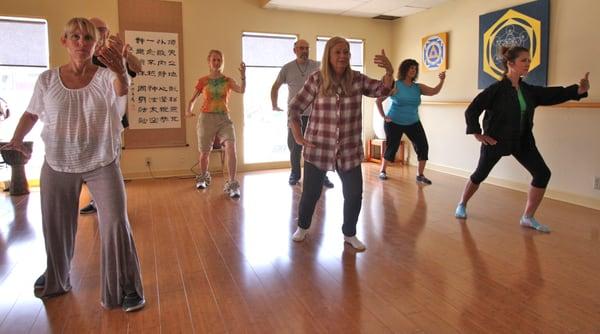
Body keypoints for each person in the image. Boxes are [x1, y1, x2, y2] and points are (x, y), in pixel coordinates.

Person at [1, 18, 145, 311]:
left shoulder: (106, 76)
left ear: (95, 43)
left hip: (102, 160)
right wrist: (16, 138)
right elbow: (31, 113)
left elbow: (121, 89)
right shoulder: (47, 79)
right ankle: (57, 276)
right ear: (64, 41)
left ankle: (127, 286)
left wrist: (119, 68)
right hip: (57, 161)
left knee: (116, 222)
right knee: (55, 226)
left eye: (87, 38)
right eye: (75, 37)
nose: (81, 42)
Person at [455, 45, 590, 232]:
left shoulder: (528, 90)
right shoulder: (495, 90)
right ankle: (462, 203)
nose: (528, 63)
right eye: (524, 60)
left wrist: (578, 90)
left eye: (529, 60)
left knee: (543, 173)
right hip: (496, 140)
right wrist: (478, 133)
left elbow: (552, 94)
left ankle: (528, 217)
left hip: (523, 141)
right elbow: (473, 109)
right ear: (510, 63)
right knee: (480, 175)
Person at [288, 37, 394, 250]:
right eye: (338, 52)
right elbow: (295, 107)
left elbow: (382, 90)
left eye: (346, 52)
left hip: (349, 149)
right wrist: (298, 136)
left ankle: (350, 234)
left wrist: (389, 72)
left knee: (354, 194)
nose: (343, 56)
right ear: (329, 54)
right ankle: (303, 226)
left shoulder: (357, 80)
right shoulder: (316, 79)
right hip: (319, 147)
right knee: (311, 193)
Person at [80, 17, 142, 215]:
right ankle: (96, 201)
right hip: (89, 119)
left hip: (114, 120)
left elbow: (138, 67)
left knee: (112, 162)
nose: (101, 33)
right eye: (97, 30)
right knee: (92, 161)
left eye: (103, 30)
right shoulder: (83, 56)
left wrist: (126, 53)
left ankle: (113, 205)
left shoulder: (115, 55)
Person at [271, 39, 334, 188]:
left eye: (306, 48)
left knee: (319, 147)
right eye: (301, 48)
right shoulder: (287, 68)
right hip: (295, 116)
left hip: (316, 115)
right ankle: (295, 174)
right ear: (295, 50)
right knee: (295, 147)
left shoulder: (318, 66)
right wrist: (274, 105)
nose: (304, 51)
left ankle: (322, 177)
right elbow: (275, 87)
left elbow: (330, 82)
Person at [187, 50, 245, 198]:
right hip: (206, 118)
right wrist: (189, 110)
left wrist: (243, 76)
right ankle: (204, 176)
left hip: (224, 118)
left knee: (231, 148)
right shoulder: (203, 81)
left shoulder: (227, 80)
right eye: (214, 60)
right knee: (204, 152)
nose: (217, 63)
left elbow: (242, 90)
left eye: (219, 60)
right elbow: (192, 100)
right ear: (209, 62)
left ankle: (232, 184)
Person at [376, 59, 446, 184]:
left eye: (415, 68)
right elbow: (378, 101)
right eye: (411, 68)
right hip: (394, 121)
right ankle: (383, 170)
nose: (413, 70)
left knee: (423, 146)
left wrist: (442, 80)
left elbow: (434, 91)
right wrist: (384, 116)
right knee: (392, 146)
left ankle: (420, 175)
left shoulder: (417, 87)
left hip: (413, 122)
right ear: (405, 70)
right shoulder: (395, 85)